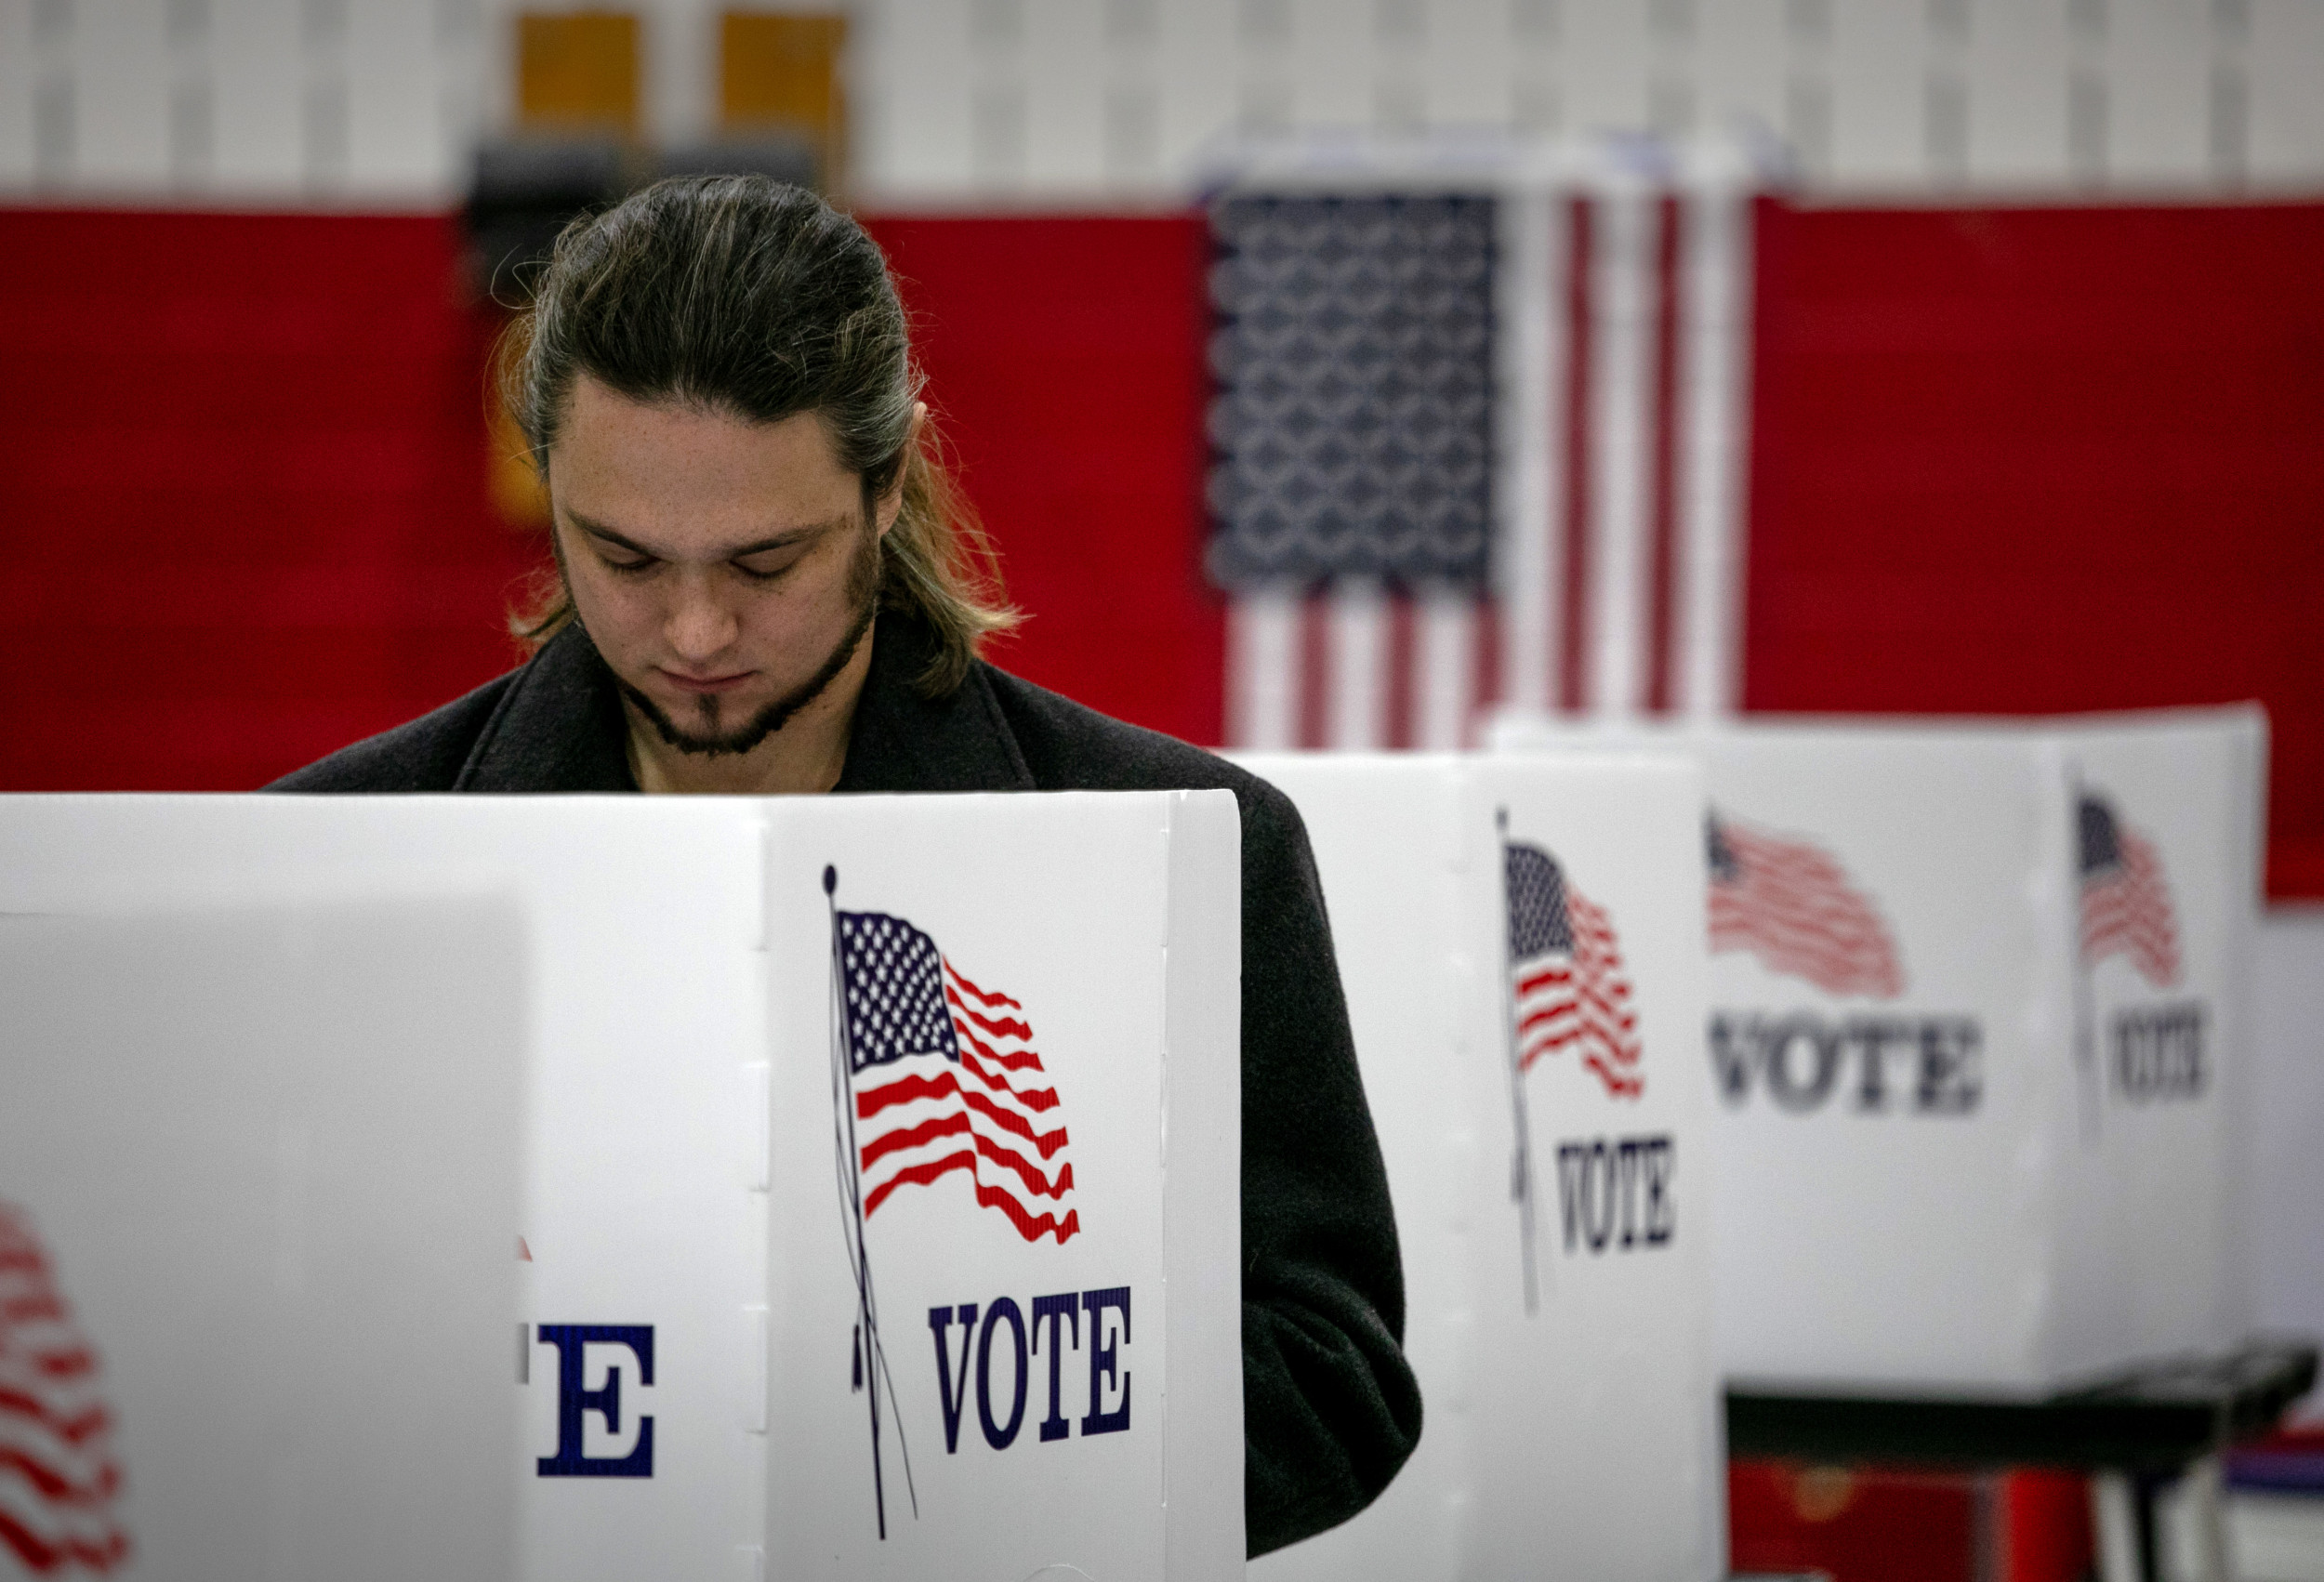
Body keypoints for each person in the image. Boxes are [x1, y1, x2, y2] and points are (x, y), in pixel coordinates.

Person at [271, 176, 1420, 1555]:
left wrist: (935, 1464)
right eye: (624, 554)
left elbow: (1335, 1374)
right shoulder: (330, 863)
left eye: (768, 560)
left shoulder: (1191, 850)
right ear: (547, 485)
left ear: (887, 487)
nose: (695, 627)